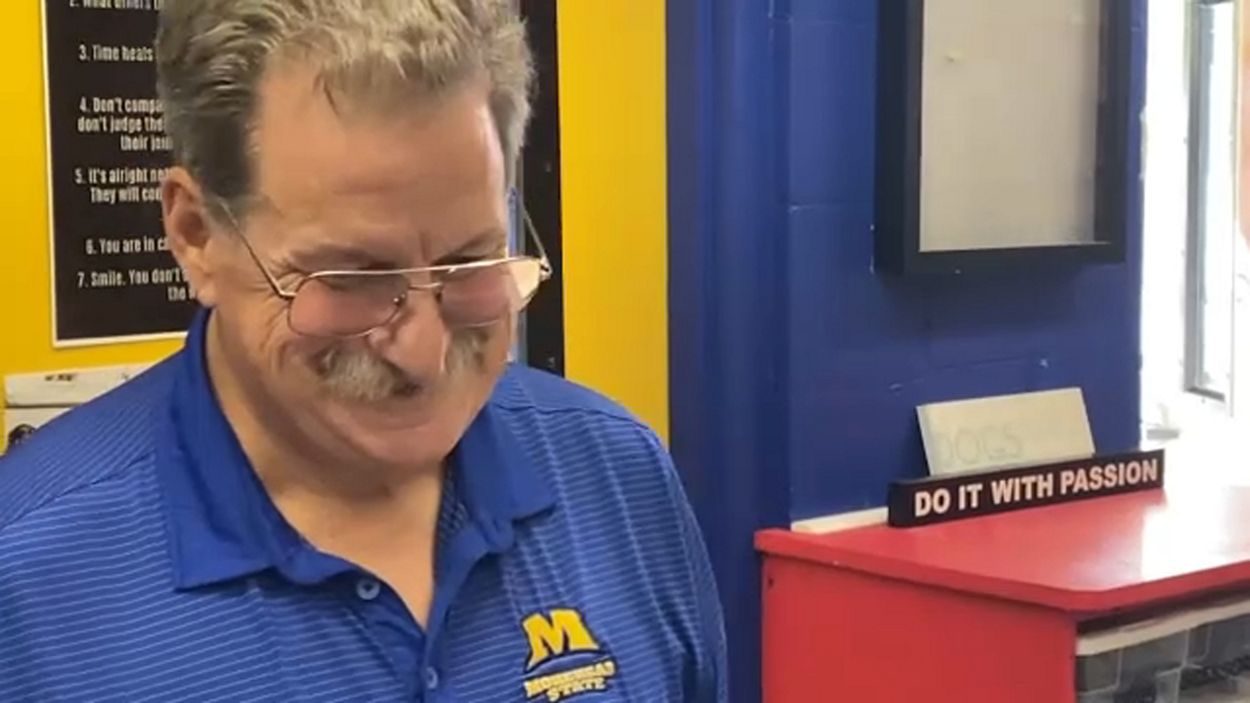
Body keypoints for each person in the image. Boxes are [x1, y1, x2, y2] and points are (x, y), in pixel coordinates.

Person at [0, 1, 727, 700]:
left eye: (469, 264)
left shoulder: (617, 477)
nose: (423, 354)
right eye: (351, 280)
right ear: (196, 235)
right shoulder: (27, 581)